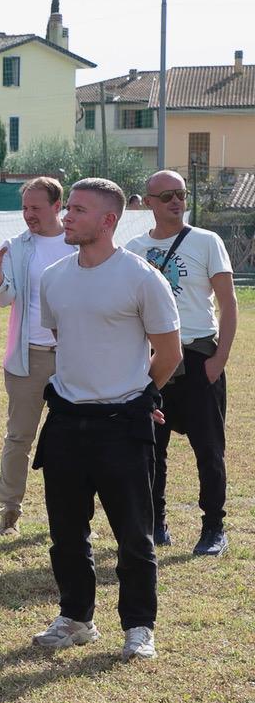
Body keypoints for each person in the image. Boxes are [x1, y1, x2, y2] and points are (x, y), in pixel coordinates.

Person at [30, 178, 181, 662]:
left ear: (108, 220)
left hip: (123, 425)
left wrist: (141, 394)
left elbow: (171, 352)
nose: (67, 217)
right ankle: (76, 618)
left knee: (133, 535)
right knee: (67, 533)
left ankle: (139, 626)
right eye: (68, 208)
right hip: (67, 423)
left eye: (77, 210)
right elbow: (63, 336)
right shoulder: (54, 276)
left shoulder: (141, 277)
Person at [127, 171, 236, 555]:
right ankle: (156, 524)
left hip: (198, 356)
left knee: (209, 449)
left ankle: (214, 528)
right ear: (149, 202)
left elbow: (228, 304)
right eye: (168, 195)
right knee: (151, 448)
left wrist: (217, 362)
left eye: (181, 194)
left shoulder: (207, 241)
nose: (176, 201)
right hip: (154, 359)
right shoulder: (134, 248)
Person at [0, 177, 75, 535]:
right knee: (19, 437)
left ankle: (74, 515)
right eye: (25, 208)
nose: (29, 214)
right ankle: (9, 510)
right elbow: (4, 299)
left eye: (36, 207)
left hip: (75, 358)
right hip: (28, 358)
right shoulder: (16, 246)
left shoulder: (81, 242)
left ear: (57, 205)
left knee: (76, 440)